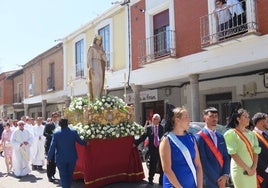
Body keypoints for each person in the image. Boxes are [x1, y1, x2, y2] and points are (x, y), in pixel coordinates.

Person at [159, 107, 203, 188]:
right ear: (177, 120)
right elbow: (167, 169)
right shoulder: (167, 140)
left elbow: (198, 165)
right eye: (186, 117)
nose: (189, 120)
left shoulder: (191, 138)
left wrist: (200, 186)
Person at [224, 108, 261, 188]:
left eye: (248, 117)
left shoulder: (252, 134)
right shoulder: (231, 134)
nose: (248, 119)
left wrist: (254, 168)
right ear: (238, 119)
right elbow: (233, 154)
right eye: (245, 117)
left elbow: (256, 151)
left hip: (252, 169)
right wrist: (247, 169)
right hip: (240, 169)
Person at [195, 107, 230, 188]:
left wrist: (225, 175)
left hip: (222, 178)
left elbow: (226, 157)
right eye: (211, 116)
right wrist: (217, 179)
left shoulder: (220, 136)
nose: (214, 118)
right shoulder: (199, 137)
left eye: (216, 116)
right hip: (208, 180)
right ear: (205, 118)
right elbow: (203, 161)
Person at [47, 118, 87, 188]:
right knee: (70, 174)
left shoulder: (56, 134)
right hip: (72, 158)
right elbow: (81, 142)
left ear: (59, 124)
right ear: (67, 124)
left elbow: (52, 147)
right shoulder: (73, 132)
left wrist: (49, 158)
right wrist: (87, 143)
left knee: (63, 176)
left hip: (60, 158)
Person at [135, 114, 164, 185]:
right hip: (152, 149)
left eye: (155, 119)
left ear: (159, 120)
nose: (153, 120)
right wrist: (136, 143)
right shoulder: (149, 128)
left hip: (161, 149)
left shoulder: (162, 128)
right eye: (153, 119)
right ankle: (150, 179)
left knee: (161, 166)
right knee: (152, 165)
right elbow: (143, 137)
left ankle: (161, 180)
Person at [87, 35, 106, 101]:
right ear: (95, 40)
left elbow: (105, 59)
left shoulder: (101, 49)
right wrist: (91, 67)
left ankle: (99, 97)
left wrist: (102, 54)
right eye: (98, 40)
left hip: (100, 65)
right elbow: (89, 58)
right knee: (96, 81)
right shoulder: (92, 47)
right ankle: (95, 98)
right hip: (94, 64)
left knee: (100, 82)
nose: (99, 41)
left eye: (100, 40)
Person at [252, 112, 268, 188]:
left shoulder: (265, 135)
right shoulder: (252, 135)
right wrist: (266, 168)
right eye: (267, 121)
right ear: (261, 122)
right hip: (261, 173)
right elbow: (254, 154)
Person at [43, 112, 59, 182]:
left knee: (55, 161)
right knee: (50, 160)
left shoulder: (59, 125)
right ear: (52, 117)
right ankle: (49, 175)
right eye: (54, 116)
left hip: (57, 146)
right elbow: (44, 133)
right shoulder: (48, 124)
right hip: (49, 145)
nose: (55, 118)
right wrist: (52, 136)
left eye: (56, 116)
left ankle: (53, 174)